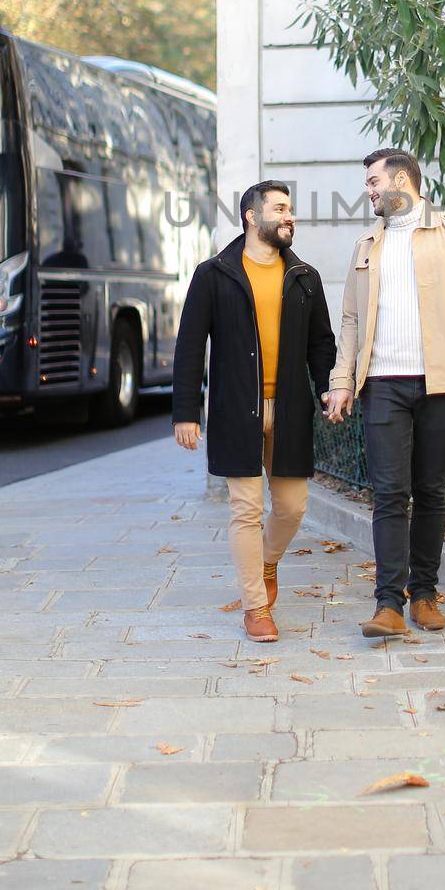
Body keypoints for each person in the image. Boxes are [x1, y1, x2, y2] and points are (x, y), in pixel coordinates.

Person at [325, 148, 445, 638]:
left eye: (375, 180)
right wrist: (342, 381)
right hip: (381, 384)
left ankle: (424, 595)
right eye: (368, 183)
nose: (370, 190)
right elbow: (351, 320)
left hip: (440, 383)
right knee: (388, 494)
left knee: (430, 492)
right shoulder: (365, 244)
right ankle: (387, 604)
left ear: (403, 179)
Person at [173, 181, 335, 643]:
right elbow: (189, 346)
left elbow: (321, 344)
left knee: (290, 505)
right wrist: (186, 412)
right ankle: (255, 607)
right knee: (246, 509)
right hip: (233, 408)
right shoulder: (214, 274)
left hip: (288, 408)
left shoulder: (304, 276)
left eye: (291, 209)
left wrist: (328, 389)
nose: (290, 217)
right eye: (280, 209)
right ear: (251, 216)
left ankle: (267, 563)